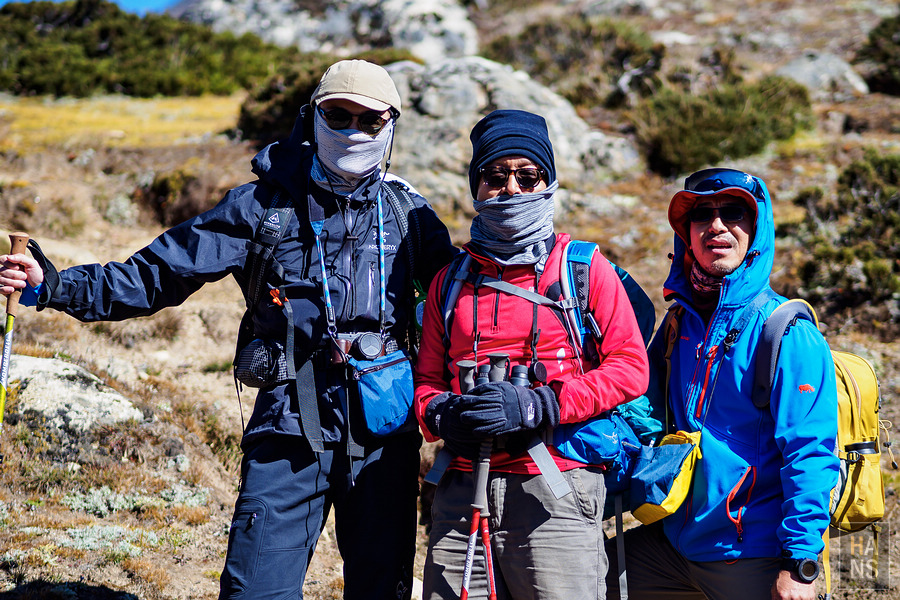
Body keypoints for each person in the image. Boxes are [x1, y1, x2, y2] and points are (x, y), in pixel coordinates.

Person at [0, 59, 458, 600]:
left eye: (370, 121)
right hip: (288, 426)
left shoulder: (411, 216)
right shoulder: (261, 207)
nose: (354, 131)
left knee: (381, 591)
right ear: (313, 118)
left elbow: (463, 307)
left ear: (391, 126)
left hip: (385, 430)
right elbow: (156, 276)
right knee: (254, 592)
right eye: (338, 115)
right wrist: (51, 286)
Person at [413, 109, 650, 600]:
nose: (512, 190)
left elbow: (631, 369)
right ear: (475, 187)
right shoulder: (449, 282)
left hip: (557, 491)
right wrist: (442, 415)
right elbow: (426, 381)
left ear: (550, 182)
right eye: (495, 177)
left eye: (528, 175)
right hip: (460, 491)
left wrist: (539, 404)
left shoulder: (585, 270)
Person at [605, 168, 839, 600]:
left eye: (733, 212)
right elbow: (641, 415)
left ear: (757, 230)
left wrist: (800, 566)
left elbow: (810, 452)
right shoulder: (679, 323)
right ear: (686, 235)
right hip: (672, 544)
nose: (716, 225)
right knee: (581, 574)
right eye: (701, 216)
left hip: (753, 554)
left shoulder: (785, 332)